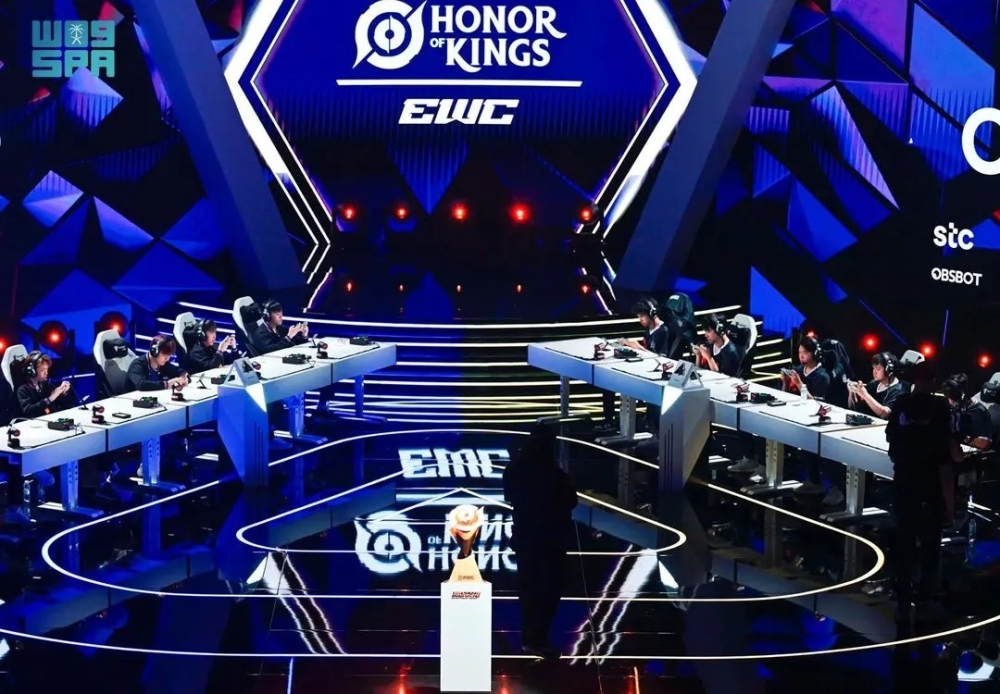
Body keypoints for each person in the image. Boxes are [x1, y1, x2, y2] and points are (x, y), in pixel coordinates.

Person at [885, 361, 963, 620]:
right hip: (930, 487)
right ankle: (925, 600)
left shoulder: (901, 404)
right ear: (934, 380)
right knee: (930, 547)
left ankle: (903, 594)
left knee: (904, 541)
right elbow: (946, 461)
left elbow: (891, 441)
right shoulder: (941, 408)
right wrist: (950, 504)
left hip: (904, 483)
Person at [503, 423, 578, 659]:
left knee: (530, 590)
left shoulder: (515, 468)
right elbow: (571, 501)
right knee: (549, 589)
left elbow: (509, 495)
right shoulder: (554, 474)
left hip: (526, 537)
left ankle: (531, 638)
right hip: (549, 539)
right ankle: (537, 638)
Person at [596, 299, 671, 433]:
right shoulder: (649, 330)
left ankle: (638, 427)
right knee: (607, 382)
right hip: (641, 370)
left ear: (651, 313)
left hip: (653, 378)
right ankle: (609, 421)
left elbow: (663, 360)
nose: (639, 319)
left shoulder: (664, 331)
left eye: (642, 316)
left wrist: (638, 347)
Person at [848, 352, 906, 419]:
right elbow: (852, 407)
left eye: (878, 369)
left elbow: (885, 415)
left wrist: (865, 395)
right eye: (873, 368)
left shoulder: (898, 391)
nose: (874, 372)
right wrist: (852, 392)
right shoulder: (873, 384)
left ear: (889, 370)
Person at [15, 352, 74, 417]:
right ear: (32, 371)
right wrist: (50, 399)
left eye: (47, 369)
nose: (46, 373)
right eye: (42, 370)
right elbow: (29, 411)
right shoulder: (22, 390)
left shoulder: (45, 385)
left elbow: (58, 404)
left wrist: (62, 392)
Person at [780, 335, 830, 400]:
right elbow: (783, 397)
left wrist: (799, 383)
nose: (801, 356)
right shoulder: (797, 370)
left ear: (815, 353)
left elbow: (816, 404)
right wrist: (785, 382)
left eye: (805, 352)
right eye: (799, 352)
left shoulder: (822, 377)